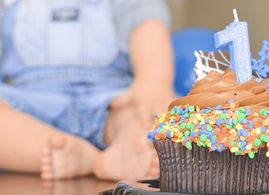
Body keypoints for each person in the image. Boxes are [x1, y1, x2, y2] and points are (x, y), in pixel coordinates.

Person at [0, 0, 174, 181]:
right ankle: (65, 152)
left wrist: (152, 81)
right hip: (29, 104)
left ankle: (127, 153)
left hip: (111, 100)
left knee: (145, 116)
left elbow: (146, 21)